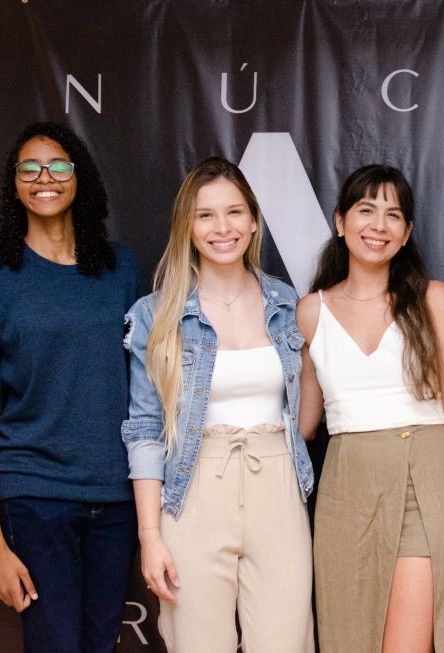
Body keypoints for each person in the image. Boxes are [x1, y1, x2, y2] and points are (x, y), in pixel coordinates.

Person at [122, 157, 315, 652]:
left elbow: (310, 410)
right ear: (187, 225)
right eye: (205, 215)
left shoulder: (289, 305)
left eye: (234, 212)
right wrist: (151, 534)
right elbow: (144, 427)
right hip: (194, 491)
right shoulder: (155, 313)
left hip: (278, 488)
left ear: (254, 221)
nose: (222, 228)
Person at [0, 122, 140, 651]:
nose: (45, 177)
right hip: (35, 495)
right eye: (30, 168)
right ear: (14, 183)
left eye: (59, 165)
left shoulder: (120, 268)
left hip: (116, 497)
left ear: (78, 177)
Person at [299, 164, 444, 652]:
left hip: (421, 479)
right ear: (341, 222)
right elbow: (305, 423)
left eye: (393, 214)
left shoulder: (432, 299)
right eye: (366, 210)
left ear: (406, 234)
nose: (378, 225)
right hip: (345, 487)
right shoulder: (310, 311)